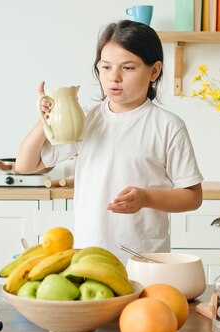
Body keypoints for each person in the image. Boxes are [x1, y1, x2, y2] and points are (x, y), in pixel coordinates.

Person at [16, 20, 203, 263]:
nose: (114, 77)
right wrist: (45, 119)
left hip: (146, 259)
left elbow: (192, 197)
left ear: (154, 71)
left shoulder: (168, 126)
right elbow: (26, 165)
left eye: (128, 68)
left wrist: (146, 198)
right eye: (105, 67)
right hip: (89, 256)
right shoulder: (87, 119)